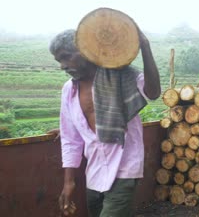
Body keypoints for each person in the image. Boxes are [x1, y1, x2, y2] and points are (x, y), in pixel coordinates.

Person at [49, 28, 161, 217]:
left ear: (86, 50)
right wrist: (69, 182)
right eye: (59, 60)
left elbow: (154, 92)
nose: (63, 66)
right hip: (95, 170)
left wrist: (145, 48)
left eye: (66, 57)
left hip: (124, 165)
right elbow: (71, 139)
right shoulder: (69, 91)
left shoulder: (122, 76)